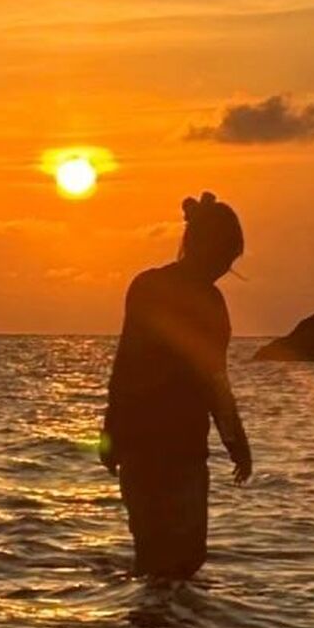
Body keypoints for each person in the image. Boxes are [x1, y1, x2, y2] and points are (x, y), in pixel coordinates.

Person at [99, 191, 252, 579]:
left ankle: (153, 614)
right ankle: (171, 614)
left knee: (157, 559)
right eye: (225, 257)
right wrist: (236, 442)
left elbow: (125, 368)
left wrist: (110, 435)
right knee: (178, 560)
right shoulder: (205, 302)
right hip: (171, 451)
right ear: (203, 246)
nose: (225, 268)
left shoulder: (148, 286)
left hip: (155, 448)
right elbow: (213, 380)